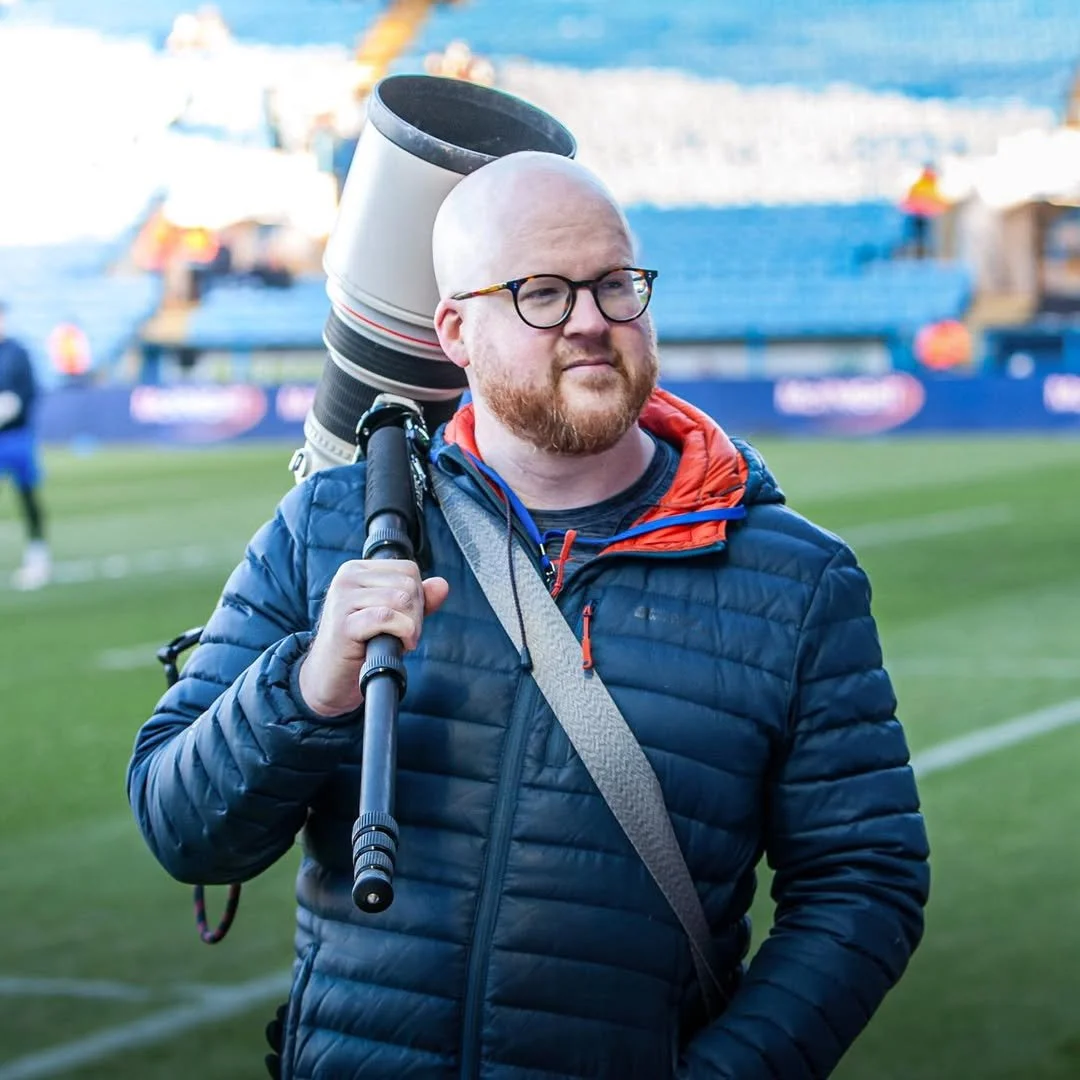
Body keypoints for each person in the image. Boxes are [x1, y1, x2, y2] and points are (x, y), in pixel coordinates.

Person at [127, 151, 930, 1080]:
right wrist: (307, 690)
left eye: (615, 284)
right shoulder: (329, 528)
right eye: (541, 293)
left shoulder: (797, 580)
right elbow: (183, 830)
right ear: (456, 330)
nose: (591, 320)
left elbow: (863, 885)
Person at [0, 302, 50, 590]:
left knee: (27, 495)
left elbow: (30, 390)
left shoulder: (17, 353)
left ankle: (38, 553)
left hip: (17, 436)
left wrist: (14, 405)